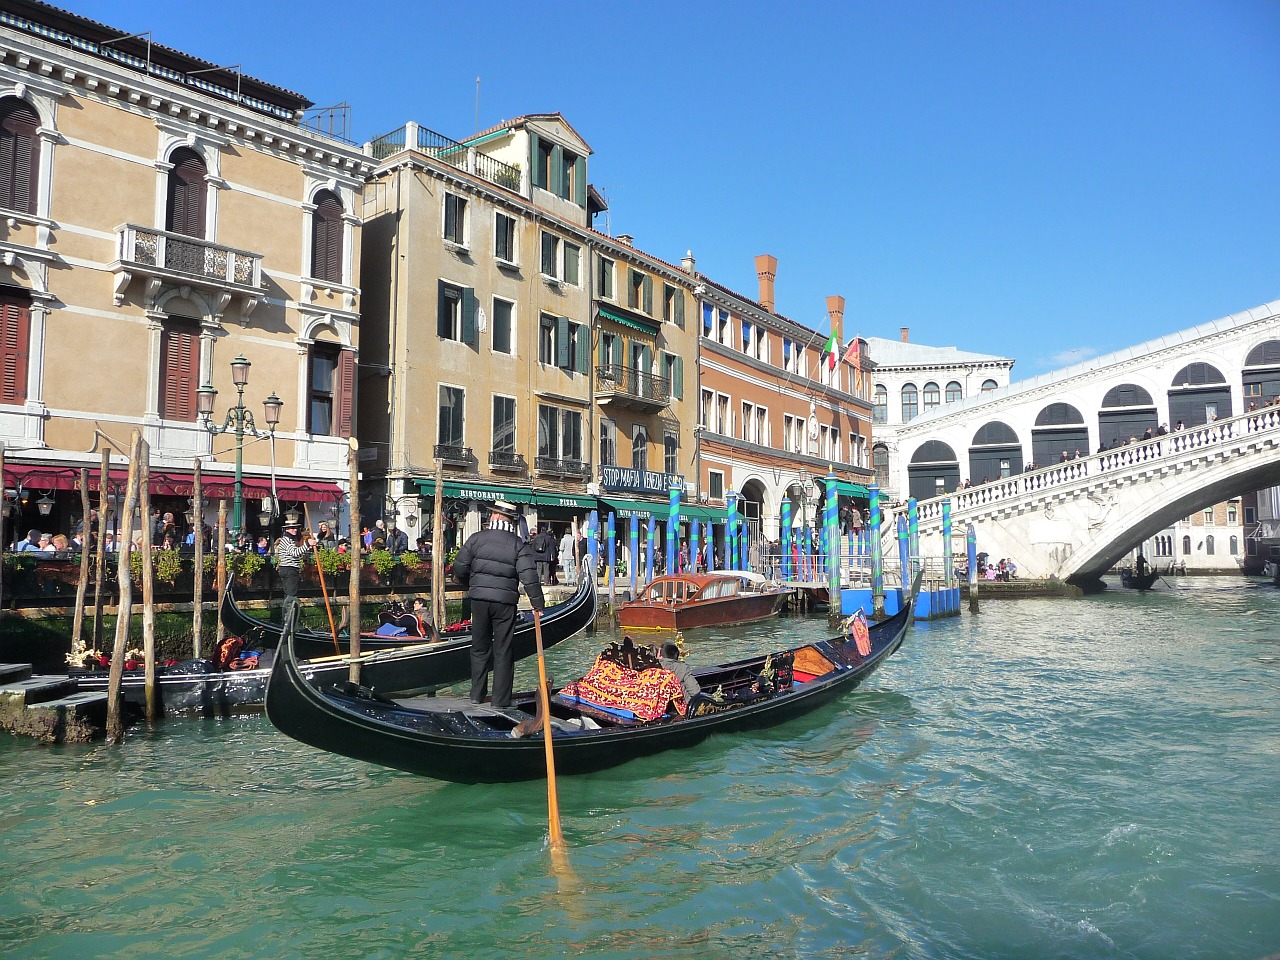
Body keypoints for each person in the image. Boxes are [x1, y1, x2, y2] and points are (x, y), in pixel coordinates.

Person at [452, 500, 544, 711]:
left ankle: (476, 695)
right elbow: (529, 576)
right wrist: (537, 603)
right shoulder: (517, 544)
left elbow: (459, 567)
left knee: (479, 647)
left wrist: (472, 584)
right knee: (503, 650)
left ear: (493, 516)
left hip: (479, 600)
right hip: (505, 602)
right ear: (510, 520)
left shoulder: (476, 539)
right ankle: (500, 700)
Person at [274, 510, 311, 615]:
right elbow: (295, 553)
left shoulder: (288, 540)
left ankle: (287, 619)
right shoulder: (287, 540)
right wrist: (307, 544)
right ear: (287, 529)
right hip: (290, 569)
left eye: (295, 528)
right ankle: (288, 620)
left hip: (287, 569)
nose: (295, 530)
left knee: (288, 595)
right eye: (292, 528)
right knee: (291, 596)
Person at [660, 640, 701, 704]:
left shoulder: (653, 668)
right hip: (680, 706)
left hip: (659, 708)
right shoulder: (683, 668)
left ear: (661, 655)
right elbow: (695, 691)